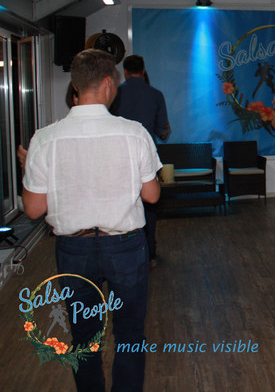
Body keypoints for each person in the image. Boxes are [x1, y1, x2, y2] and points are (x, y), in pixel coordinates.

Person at [21, 49, 161, 392]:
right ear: (109, 84)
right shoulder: (134, 133)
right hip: (125, 247)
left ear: (76, 86)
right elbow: (152, 195)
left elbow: (34, 209)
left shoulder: (44, 139)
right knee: (129, 333)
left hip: (74, 249)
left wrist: (29, 169)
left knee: (84, 336)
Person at [111, 54, 170, 268]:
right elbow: (162, 131)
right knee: (149, 207)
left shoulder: (115, 94)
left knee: (121, 206)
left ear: (125, 72)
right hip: (146, 158)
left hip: (119, 158)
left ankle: (123, 254)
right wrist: (164, 129)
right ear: (143, 70)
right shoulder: (156, 95)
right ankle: (149, 255)